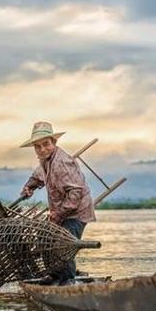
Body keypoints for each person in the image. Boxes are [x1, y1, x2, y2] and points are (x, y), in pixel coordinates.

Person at [19, 121, 96, 285]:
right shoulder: (45, 160)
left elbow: (76, 193)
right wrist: (29, 186)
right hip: (63, 211)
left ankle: (68, 281)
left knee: (63, 244)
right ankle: (54, 275)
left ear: (53, 142)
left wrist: (58, 213)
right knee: (46, 239)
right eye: (38, 146)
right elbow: (38, 176)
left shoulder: (61, 162)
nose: (42, 149)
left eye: (46, 144)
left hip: (76, 212)